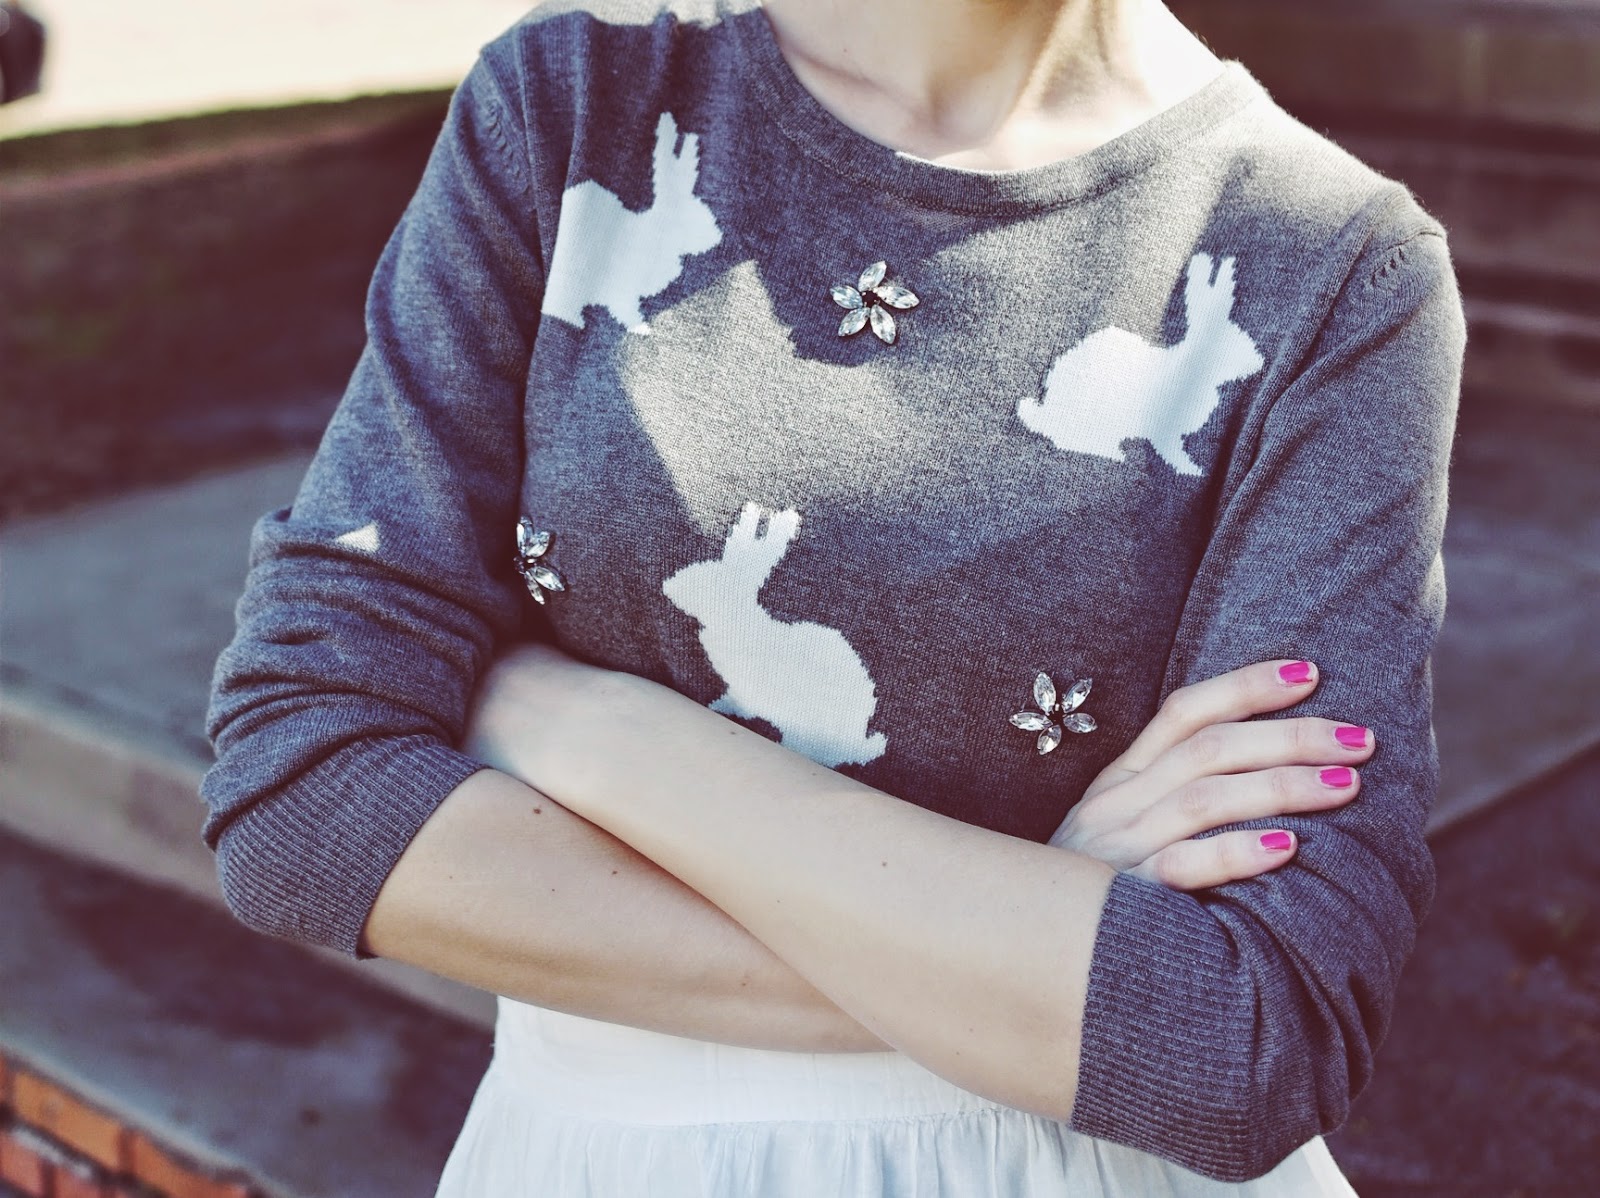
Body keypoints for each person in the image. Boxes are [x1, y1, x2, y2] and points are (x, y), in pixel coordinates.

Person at [202, 0, 1465, 1193]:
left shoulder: (1331, 261)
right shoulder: (577, 103)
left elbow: (1250, 1035)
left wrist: (585, 728)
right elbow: (300, 792)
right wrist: (1011, 935)